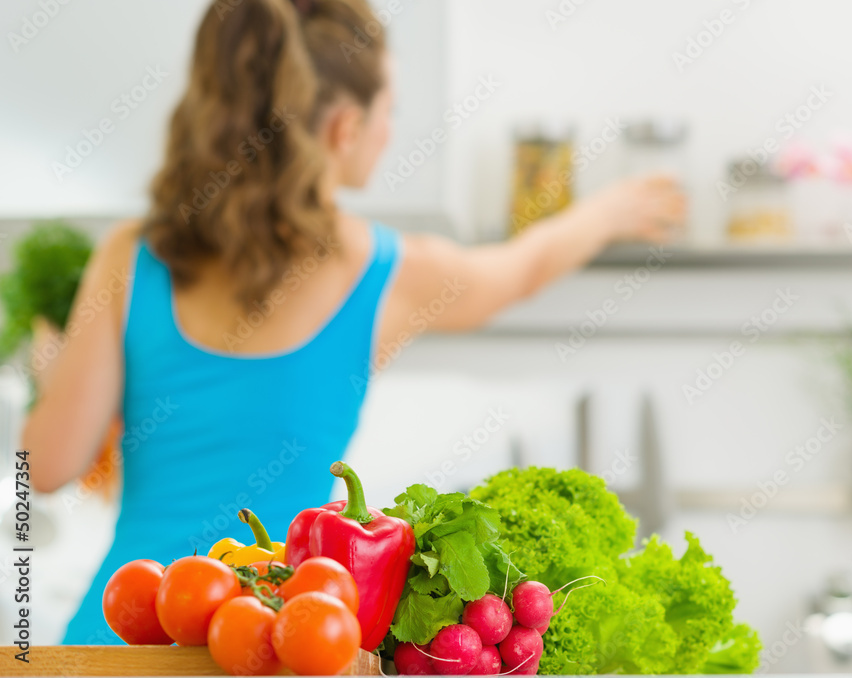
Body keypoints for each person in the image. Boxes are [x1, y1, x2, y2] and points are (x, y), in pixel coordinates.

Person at [22, 0, 685, 644]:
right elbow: (518, 270)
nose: (391, 129)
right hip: (278, 648)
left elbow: (45, 467)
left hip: (116, 643)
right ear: (343, 128)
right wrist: (608, 212)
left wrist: (52, 374)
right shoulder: (388, 273)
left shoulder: (131, 255)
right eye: (388, 110)